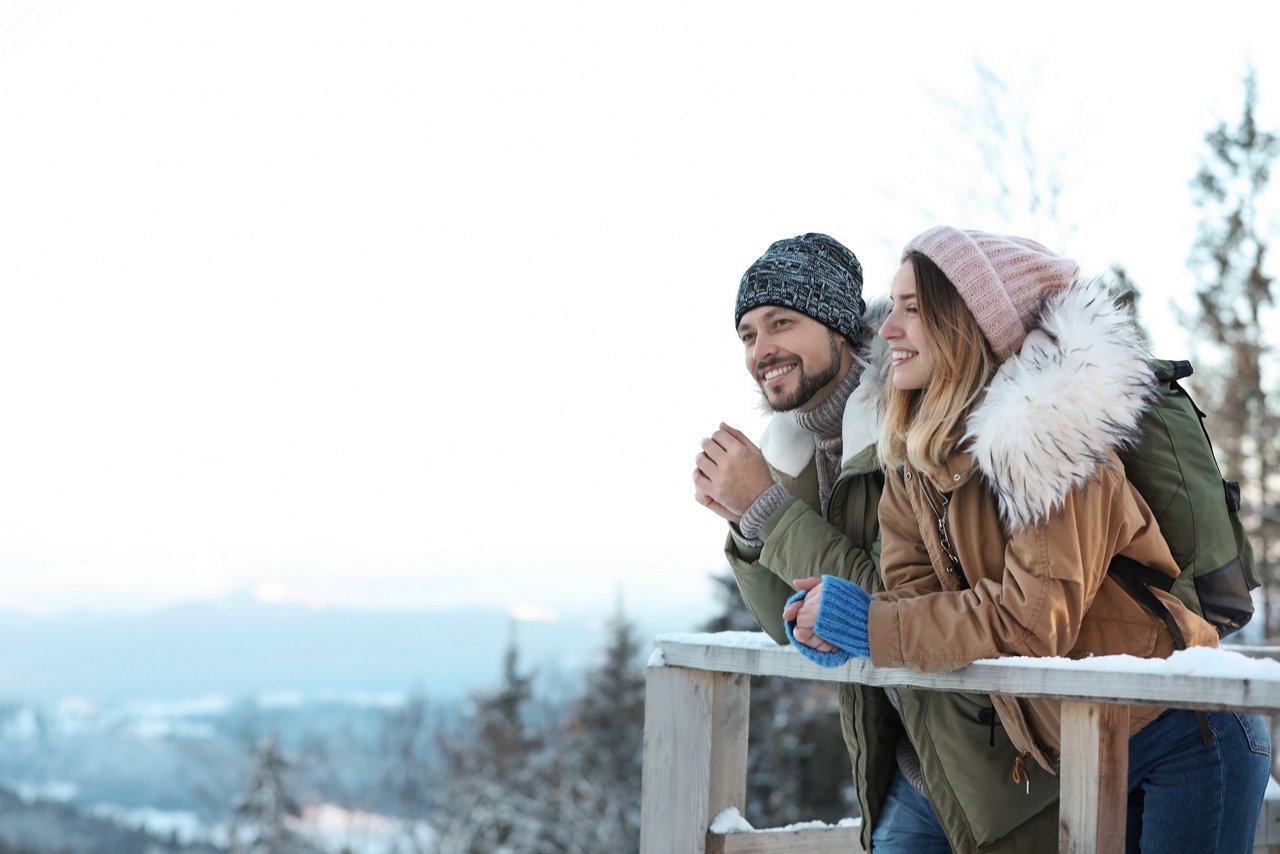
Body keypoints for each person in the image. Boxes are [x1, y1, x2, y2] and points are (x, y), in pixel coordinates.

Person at [785, 226, 1272, 853]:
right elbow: (911, 604)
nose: (886, 330)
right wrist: (852, 625)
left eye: (912, 309)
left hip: (1187, 742)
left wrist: (872, 627)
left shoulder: (1059, 444)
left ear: (967, 322)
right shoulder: (913, 464)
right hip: (1082, 751)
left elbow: (1031, 624)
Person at [694, 232, 1058, 853]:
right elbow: (788, 622)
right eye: (748, 334)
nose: (762, 349)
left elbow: (892, 608)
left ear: (838, 328)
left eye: (781, 322)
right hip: (911, 767)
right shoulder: (798, 453)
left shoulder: (911, 426)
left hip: (1001, 769)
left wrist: (767, 509)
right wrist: (747, 520)